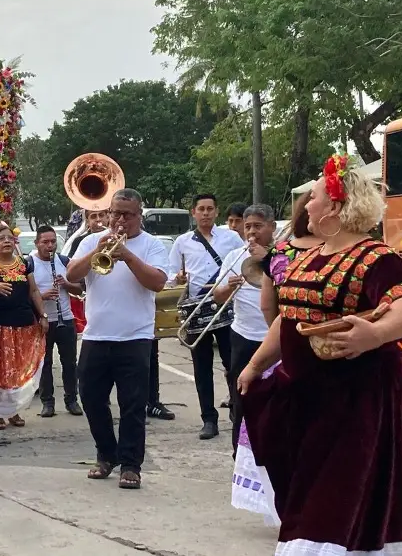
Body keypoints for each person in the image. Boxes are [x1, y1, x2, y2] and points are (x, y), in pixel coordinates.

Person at [238, 154, 402, 555]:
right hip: (309, 397)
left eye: (316, 197)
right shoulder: (307, 256)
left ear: (336, 208)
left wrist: (374, 334)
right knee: (313, 491)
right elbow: (287, 320)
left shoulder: (376, 256)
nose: (307, 205)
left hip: (358, 398)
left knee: (334, 499)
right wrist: (255, 365)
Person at [66, 188, 170, 490]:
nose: (119, 220)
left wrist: (127, 255)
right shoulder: (90, 240)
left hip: (136, 337)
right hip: (97, 335)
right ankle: (106, 454)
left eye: (127, 214)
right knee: (92, 399)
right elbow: (72, 274)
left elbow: (159, 283)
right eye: (115, 213)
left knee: (133, 405)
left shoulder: (152, 245)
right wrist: (95, 249)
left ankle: (131, 465)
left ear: (140, 215)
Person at [167, 193, 245, 440]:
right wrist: (177, 279)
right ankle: (208, 419)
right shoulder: (182, 241)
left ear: (216, 211)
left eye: (210, 209)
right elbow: (171, 273)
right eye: (201, 209)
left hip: (226, 306)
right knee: (202, 368)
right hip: (196, 308)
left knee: (233, 365)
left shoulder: (232, 238)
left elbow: (243, 264)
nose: (206, 213)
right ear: (193, 212)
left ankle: (237, 411)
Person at [210, 204, 274, 454]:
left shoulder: (284, 256)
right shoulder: (234, 256)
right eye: (248, 227)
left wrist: (266, 260)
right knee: (241, 397)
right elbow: (217, 295)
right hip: (242, 335)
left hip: (274, 336)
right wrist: (228, 288)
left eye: (258, 226)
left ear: (271, 227)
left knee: (275, 398)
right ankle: (240, 451)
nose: (252, 232)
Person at [0, 226, 48, 430]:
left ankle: (13, 411)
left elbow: (34, 291)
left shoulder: (24, 264)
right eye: (2, 238)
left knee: (18, 370)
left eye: (10, 238)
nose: (7, 241)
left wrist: (43, 316)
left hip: (24, 325)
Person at [32, 225, 84, 417]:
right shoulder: (30, 264)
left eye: (53, 241)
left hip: (66, 319)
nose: (50, 246)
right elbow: (28, 294)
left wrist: (66, 284)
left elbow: (80, 289)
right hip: (44, 321)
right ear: (37, 243)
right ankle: (48, 403)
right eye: (45, 242)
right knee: (44, 364)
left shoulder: (64, 261)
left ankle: (72, 400)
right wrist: (43, 296)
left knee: (70, 363)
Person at [261, 192, 321, 325]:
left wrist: (277, 333)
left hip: (287, 331)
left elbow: (266, 305)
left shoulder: (278, 252)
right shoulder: (339, 250)